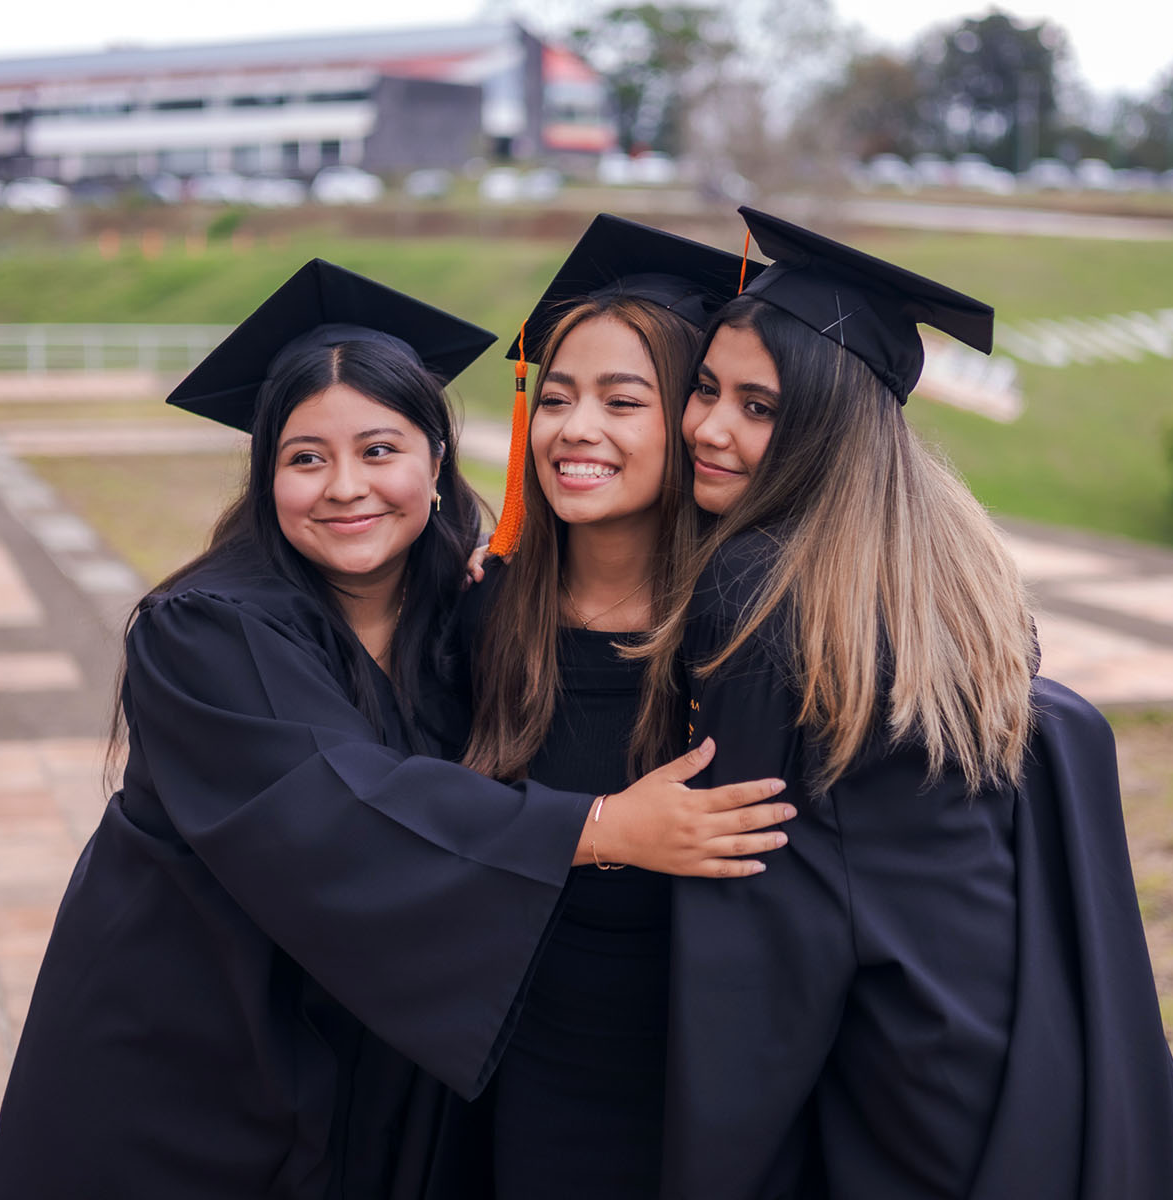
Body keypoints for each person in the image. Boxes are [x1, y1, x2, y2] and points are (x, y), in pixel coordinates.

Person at [0, 259, 792, 1200]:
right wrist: (597, 826)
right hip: (197, 1051)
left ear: (436, 464)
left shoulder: (464, 612)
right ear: (266, 474)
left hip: (367, 1060)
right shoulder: (206, 630)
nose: (345, 489)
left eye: (379, 450)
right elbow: (332, 810)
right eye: (305, 458)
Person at [635, 208, 1173, 1199]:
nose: (708, 428)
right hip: (1016, 1023)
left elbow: (757, 921)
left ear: (825, 421)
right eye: (705, 389)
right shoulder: (948, 557)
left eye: (759, 407)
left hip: (899, 1070)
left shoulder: (755, 591)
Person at [459, 215, 767, 1198]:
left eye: (620, 400)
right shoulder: (478, 616)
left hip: (712, 1073)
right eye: (555, 397)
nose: (573, 428)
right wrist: (601, 831)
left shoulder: (751, 639)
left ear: (690, 421)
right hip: (530, 1065)